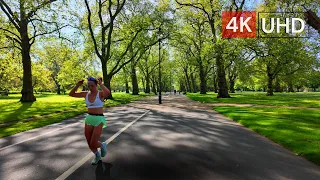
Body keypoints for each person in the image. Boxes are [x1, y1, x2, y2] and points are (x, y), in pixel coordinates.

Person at [69, 77, 110, 165]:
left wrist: (101, 84)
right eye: (88, 86)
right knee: (89, 142)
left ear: (96, 85)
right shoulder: (85, 94)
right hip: (89, 118)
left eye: (92, 86)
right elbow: (71, 94)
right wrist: (77, 85)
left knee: (93, 142)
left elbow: (108, 93)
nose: (90, 87)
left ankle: (102, 145)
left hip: (99, 118)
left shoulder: (100, 94)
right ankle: (97, 155)